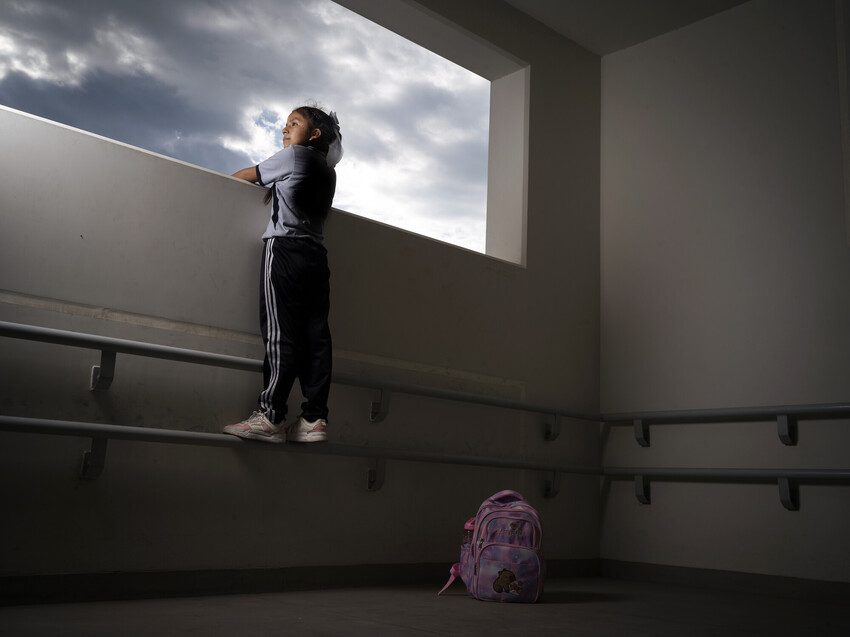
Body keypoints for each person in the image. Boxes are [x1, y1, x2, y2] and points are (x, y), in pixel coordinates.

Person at [223, 106, 342, 443]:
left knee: (280, 333)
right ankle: (314, 418)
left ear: (314, 134)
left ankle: (271, 415)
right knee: (316, 337)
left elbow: (250, 174)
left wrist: (220, 183)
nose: (285, 129)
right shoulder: (328, 171)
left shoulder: (293, 157)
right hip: (316, 256)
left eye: (294, 123)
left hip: (286, 251)